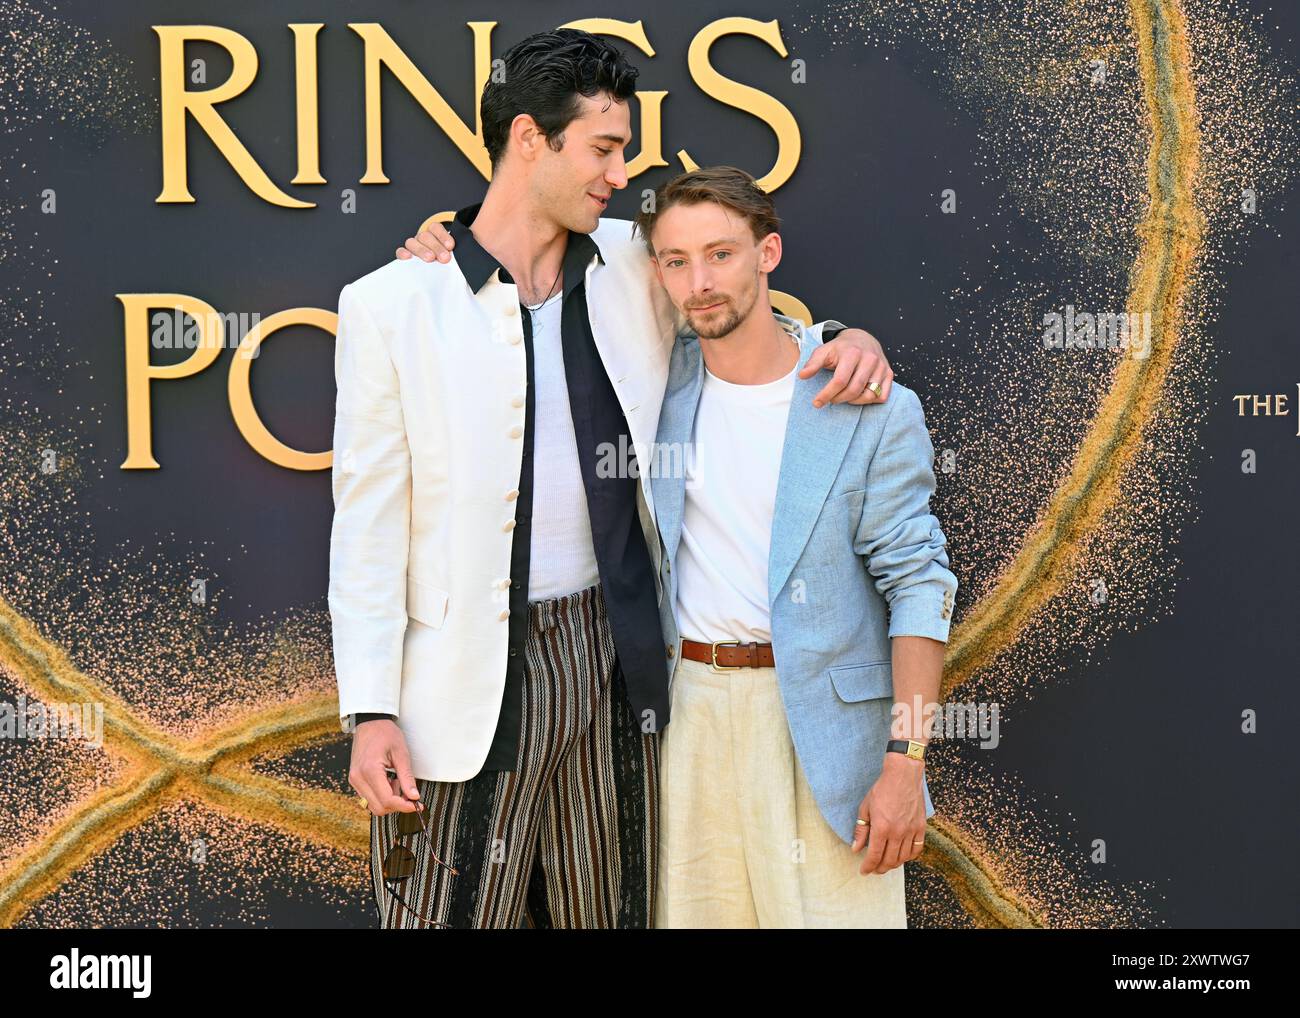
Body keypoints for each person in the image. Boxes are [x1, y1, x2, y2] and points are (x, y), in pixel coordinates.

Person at [336, 28, 895, 929]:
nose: (618, 171)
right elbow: (363, 528)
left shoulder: (641, 260)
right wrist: (370, 709)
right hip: (460, 688)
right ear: (529, 139)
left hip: (617, 666)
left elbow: (732, 288)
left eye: (622, 150)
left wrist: (840, 337)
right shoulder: (391, 305)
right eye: (603, 147)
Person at [631, 165, 956, 927]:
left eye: (721, 254)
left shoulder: (868, 405)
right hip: (689, 726)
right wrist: (443, 247)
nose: (699, 281)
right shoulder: (653, 387)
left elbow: (919, 584)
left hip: (827, 737)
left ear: (767, 253)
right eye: (676, 261)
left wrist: (906, 763)